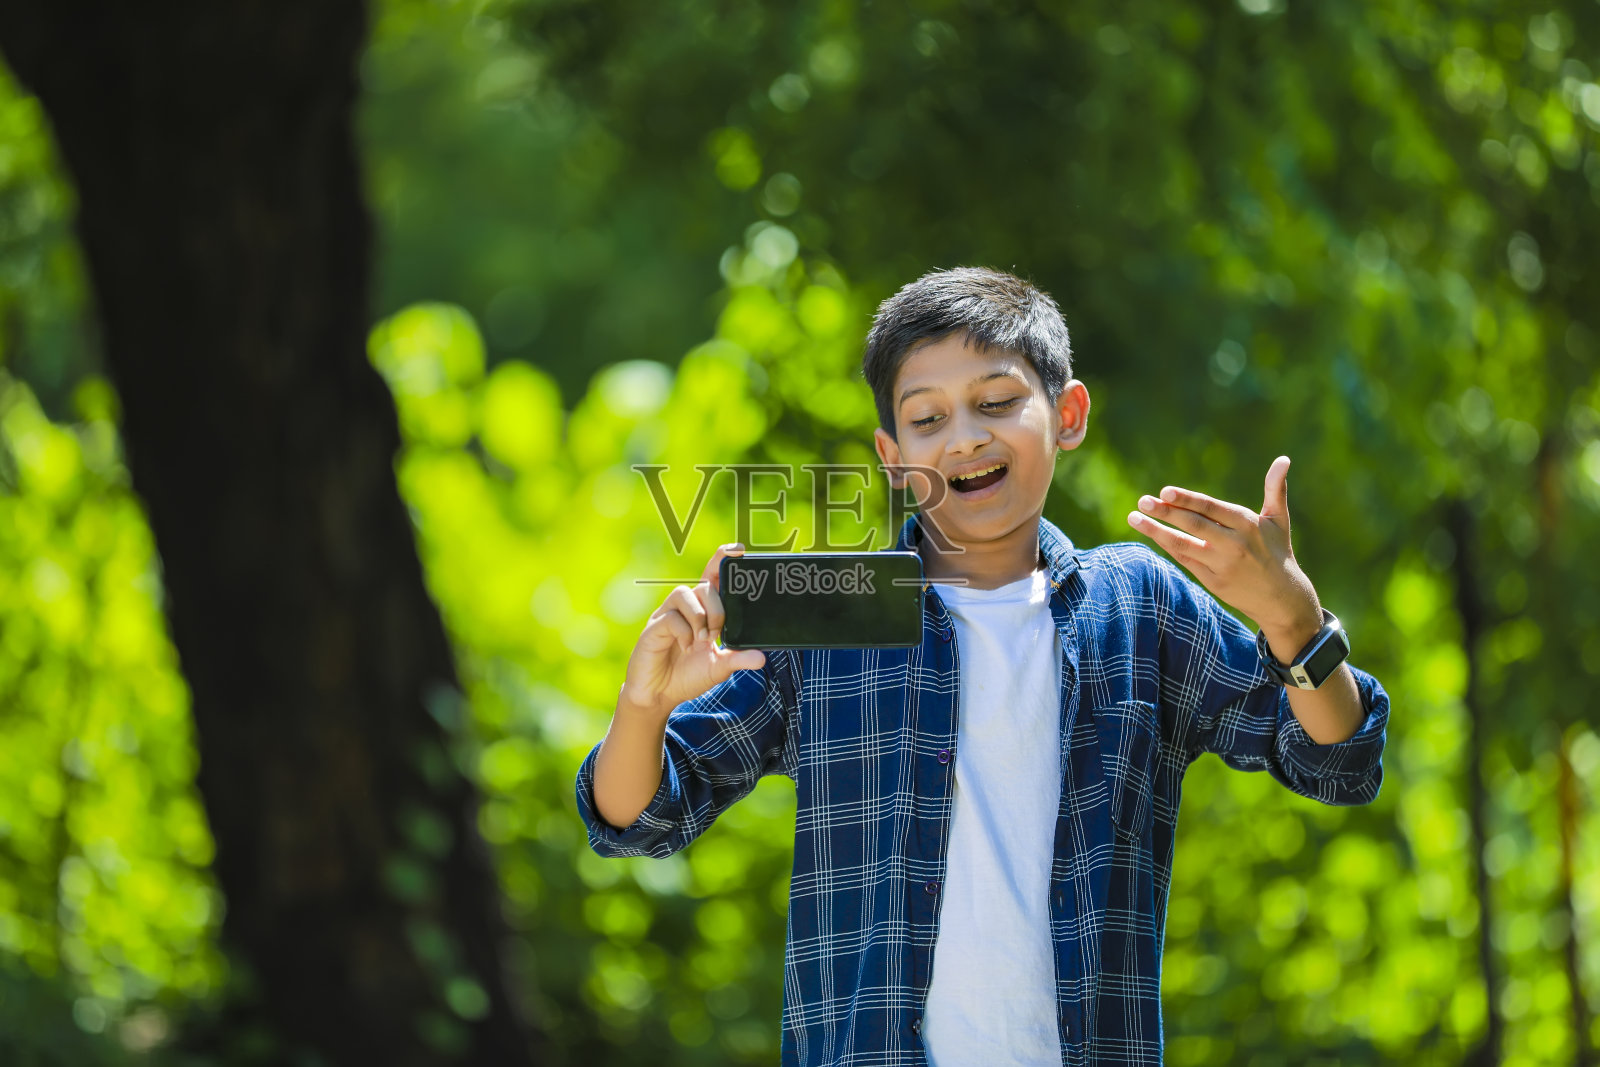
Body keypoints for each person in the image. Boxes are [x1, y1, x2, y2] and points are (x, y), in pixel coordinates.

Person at [574, 266, 1390, 1066]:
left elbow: (1337, 757)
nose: (964, 436)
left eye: (997, 403)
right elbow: (638, 817)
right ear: (893, 456)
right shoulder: (834, 608)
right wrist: (643, 703)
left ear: (1067, 413)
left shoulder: (1139, 605)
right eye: (927, 419)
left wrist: (1292, 618)